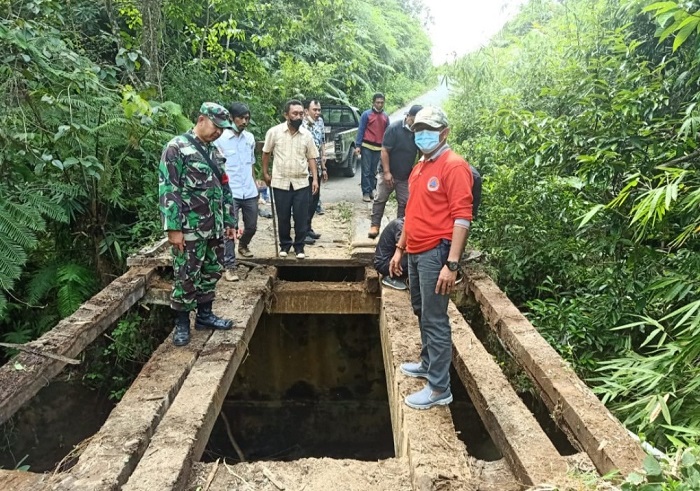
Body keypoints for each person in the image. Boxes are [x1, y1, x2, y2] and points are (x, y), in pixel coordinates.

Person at [389, 106, 475, 410]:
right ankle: (427, 363)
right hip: (415, 250)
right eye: (418, 129)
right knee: (420, 310)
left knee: (436, 318)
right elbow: (411, 213)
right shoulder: (420, 166)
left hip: (436, 252)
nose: (422, 134)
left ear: (445, 132)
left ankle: (439, 389)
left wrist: (451, 265)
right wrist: (400, 248)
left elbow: (462, 218)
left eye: (430, 129)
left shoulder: (454, 166)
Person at [159, 102, 238, 347]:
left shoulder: (214, 152)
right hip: (189, 228)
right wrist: (173, 229)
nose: (219, 132)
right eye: (217, 126)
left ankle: (205, 316)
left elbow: (224, 188)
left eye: (223, 129)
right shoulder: (176, 148)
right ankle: (181, 323)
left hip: (214, 227)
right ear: (202, 119)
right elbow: (168, 190)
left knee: (211, 270)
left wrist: (229, 221)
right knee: (186, 274)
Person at [375, 167, 481, 291]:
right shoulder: (402, 225)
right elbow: (410, 250)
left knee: (433, 255)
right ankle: (395, 278)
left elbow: (465, 217)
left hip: (394, 257)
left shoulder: (466, 176)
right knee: (427, 258)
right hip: (385, 262)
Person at [262, 99, 319, 260]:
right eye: (295, 113)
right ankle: (285, 245)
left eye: (301, 113)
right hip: (280, 181)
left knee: (301, 216)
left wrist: (314, 179)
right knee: (283, 215)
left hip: (301, 182)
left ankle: (299, 246)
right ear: (286, 114)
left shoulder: (307, 135)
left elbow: (312, 157)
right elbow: (266, 153)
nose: (298, 116)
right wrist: (265, 174)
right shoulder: (274, 132)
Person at [215, 102, 258, 284]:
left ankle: (244, 244)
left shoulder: (249, 138)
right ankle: (230, 266)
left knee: (252, 226)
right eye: (241, 118)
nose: (244, 122)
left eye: (247, 118)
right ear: (231, 118)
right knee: (230, 229)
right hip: (229, 191)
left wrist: (256, 185)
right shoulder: (220, 140)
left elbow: (251, 164)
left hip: (249, 190)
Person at [368, 104, 422, 239]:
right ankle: (375, 225)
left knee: (404, 202)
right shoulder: (394, 129)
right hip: (388, 171)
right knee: (380, 198)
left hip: (405, 175)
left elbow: (421, 153)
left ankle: (400, 230)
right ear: (408, 116)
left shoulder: (419, 132)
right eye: (414, 120)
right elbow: (384, 150)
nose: (415, 123)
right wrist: (386, 172)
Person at [302, 99, 328, 244]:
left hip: (317, 167)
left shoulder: (320, 122)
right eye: (314, 110)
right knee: (305, 201)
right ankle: (302, 231)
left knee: (314, 200)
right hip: (304, 170)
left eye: (319, 110)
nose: (317, 113)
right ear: (307, 111)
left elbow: (322, 143)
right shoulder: (301, 125)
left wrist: (323, 166)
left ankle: (308, 228)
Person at [355, 93, 389, 202]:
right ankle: (365, 192)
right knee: (365, 170)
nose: (379, 104)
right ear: (373, 102)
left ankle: (372, 189)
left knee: (374, 171)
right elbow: (361, 130)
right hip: (367, 146)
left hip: (379, 148)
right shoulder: (366, 115)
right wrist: (358, 145)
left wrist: (387, 147)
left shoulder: (385, 117)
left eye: (381, 102)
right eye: (377, 102)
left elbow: (387, 133)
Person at [374, 218, 408, 290]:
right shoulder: (400, 225)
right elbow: (405, 248)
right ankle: (391, 278)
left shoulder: (401, 223)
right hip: (384, 263)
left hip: (386, 260)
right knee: (417, 261)